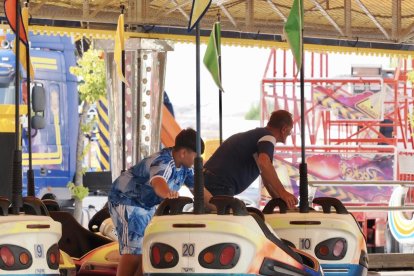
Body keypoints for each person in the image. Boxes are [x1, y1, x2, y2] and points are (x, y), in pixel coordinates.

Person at [108, 128, 205, 276]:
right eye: (196, 156)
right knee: (134, 249)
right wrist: (168, 193)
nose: (198, 160)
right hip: (126, 200)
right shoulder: (163, 161)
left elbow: (199, 190)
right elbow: (158, 182)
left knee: (149, 249)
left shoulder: (186, 168)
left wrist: (217, 204)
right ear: (183, 153)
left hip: (147, 205)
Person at [203, 109, 298, 209]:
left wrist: (282, 202)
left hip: (209, 180)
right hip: (219, 184)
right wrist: (283, 192)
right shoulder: (268, 137)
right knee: (224, 222)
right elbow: (264, 163)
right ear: (284, 129)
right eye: (289, 131)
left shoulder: (256, 137)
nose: (289, 134)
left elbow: (267, 180)